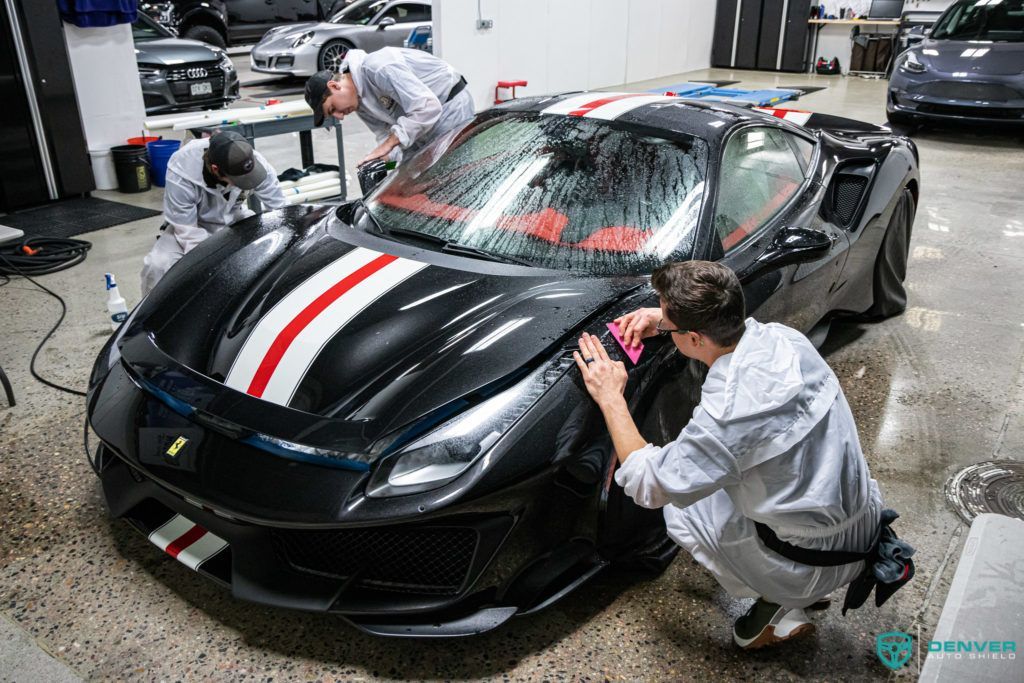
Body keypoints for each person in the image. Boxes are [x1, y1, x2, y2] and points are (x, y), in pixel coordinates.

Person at [574, 260, 913, 649]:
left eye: (669, 325)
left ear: (697, 338)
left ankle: (786, 601)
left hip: (811, 560)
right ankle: (801, 585)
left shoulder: (725, 417)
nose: (663, 328)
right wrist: (666, 320)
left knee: (682, 508)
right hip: (861, 522)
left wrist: (610, 397)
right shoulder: (786, 340)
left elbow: (649, 484)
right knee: (725, 477)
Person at [140, 131, 286, 295]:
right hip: (190, 226)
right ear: (216, 170)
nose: (247, 182)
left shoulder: (255, 163)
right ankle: (149, 318)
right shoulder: (181, 169)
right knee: (157, 265)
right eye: (239, 180)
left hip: (234, 218)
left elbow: (280, 209)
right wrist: (219, 268)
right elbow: (188, 233)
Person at [303, 47, 474, 166]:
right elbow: (386, 136)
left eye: (333, 109)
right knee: (409, 170)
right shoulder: (359, 104)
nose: (340, 117)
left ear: (334, 86)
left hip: (450, 106)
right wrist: (381, 160)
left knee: (451, 173)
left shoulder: (379, 67)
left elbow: (427, 107)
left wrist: (389, 144)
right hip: (421, 120)